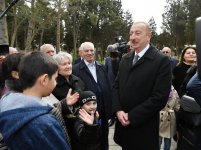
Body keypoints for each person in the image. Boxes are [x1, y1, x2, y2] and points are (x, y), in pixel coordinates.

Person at [0, 51, 79, 149]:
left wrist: (63, 104)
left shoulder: (6, 104)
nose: (55, 82)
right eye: (55, 79)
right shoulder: (46, 123)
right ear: (44, 79)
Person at [112, 21, 172, 150]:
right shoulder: (125, 59)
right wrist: (118, 110)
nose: (133, 37)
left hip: (144, 130)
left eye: (137, 33)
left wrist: (132, 116)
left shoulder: (161, 61)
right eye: (131, 33)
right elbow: (116, 86)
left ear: (148, 36)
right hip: (123, 128)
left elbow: (159, 97)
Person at [73, 42, 112, 150]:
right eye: (86, 51)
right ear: (80, 53)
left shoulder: (102, 67)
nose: (90, 53)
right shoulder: (76, 70)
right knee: (91, 144)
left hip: (103, 113)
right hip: (87, 115)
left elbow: (108, 88)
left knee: (104, 140)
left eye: (91, 50)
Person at [159, 85, 180, 150]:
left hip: (169, 119)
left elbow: (177, 106)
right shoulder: (158, 89)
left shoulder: (174, 92)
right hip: (159, 118)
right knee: (158, 142)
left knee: (167, 143)